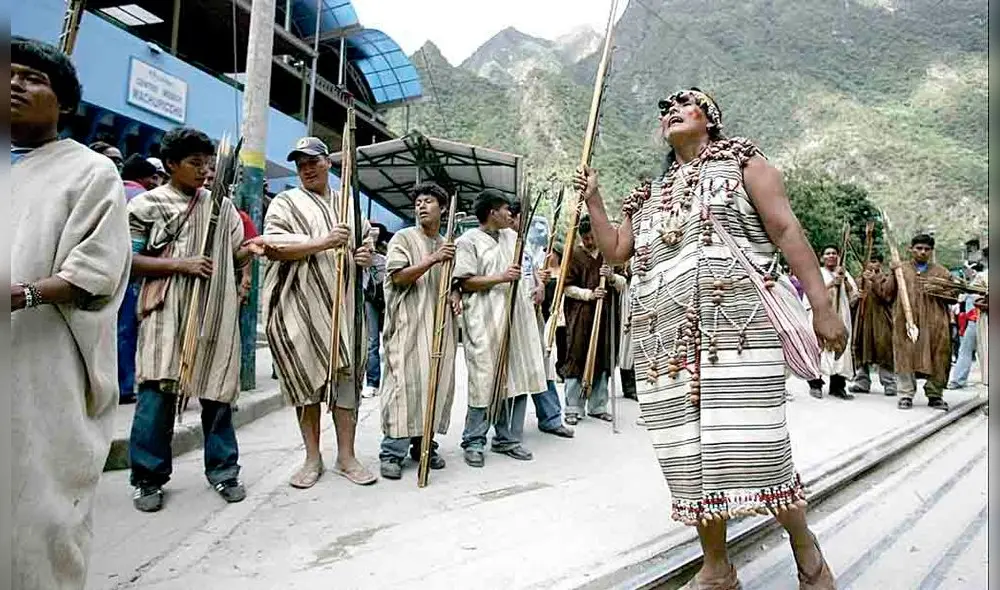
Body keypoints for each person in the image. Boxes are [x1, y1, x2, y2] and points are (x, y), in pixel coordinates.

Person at [574, 88, 844, 588]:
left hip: (738, 333)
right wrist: (594, 198)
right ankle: (717, 566)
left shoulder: (746, 164)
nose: (672, 112)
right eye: (665, 111)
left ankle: (805, 547)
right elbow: (615, 250)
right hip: (665, 346)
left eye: (685, 103)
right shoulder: (648, 195)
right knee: (688, 455)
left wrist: (823, 307)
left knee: (759, 446)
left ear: (710, 119)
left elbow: (787, 231)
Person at [11, 36, 132, 590]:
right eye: (9, 74)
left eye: (33, 79)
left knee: (37, 514)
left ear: (63, 103)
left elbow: (96, 271)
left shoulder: (90, 172)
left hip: (41, 363)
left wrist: (27, 294)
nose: (15, 84)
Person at [127, 127, 250, 512]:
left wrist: (254, 252)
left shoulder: (222, 207)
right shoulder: (146, 205)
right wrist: (181, 264)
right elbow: (128, 262)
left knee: (218, 393)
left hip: (214, 312)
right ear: (170, 164)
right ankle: (147, 478)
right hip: (166, 313)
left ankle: (224, 470)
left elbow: (237, 253)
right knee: (157, 393)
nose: (205, 171)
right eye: (195, 163)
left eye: (208, 164)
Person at [248, 136, 377, 489]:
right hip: (300, 307)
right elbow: (273, 246)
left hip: (344, 308)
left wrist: (364, 255)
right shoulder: (285, 203)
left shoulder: (348, 204)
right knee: (306, 384)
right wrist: (324, 242)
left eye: (313, 162)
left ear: (328, 163)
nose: (306, 169)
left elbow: (365, 244)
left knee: (346, 384)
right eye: (300, 164)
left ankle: (347, 456)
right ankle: (311, 457)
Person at [453, 189, 547, 468]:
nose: (510, 214)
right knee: (483, 381)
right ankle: (473, 441)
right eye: (506, 209)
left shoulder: (512, 237)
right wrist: (501, 277)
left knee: (515, 378)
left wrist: (538, 285)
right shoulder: (467, 241)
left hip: (515, 317)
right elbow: (465, 282)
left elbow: (527, 270)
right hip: (484, 320)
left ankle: (507, 439)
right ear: (492, 212)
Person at [378, 181, 457, 479]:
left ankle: (424, 445)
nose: (421, 206)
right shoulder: (403, 238)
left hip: (440, 327)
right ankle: (392, 452)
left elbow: (454, 281)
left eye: (429, 201)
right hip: (408, 325)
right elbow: (398, 277)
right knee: (404, 386)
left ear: (443, 208)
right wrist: (433, 259)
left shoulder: (448, 243)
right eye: (418, 202)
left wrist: (455, 293)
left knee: (435, 383)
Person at [511, 202, 575, 439]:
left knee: (542, 365)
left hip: (532, 314)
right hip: (511, 317)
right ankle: (506, 431)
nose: (523, 222)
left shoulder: (527, 248)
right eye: (521, 217)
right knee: (516, 372)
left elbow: (534, 275)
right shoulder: (501, 243)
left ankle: (551, 418)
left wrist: (540, 282)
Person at [562, 215, 626, 425]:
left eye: (592, 237)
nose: (589, 242)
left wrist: (611, 277)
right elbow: (566, 287)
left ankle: (598, 406)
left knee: (603, 358)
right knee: (576, 357)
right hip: (580, 316)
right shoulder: (573, 254)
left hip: (605, 315)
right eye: (586, 238)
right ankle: (573, 408)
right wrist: (589, 294)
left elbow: (624, 284)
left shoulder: (610, 254)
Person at [885, 234, 955, 411]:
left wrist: (939, 290)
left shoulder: (942, 272)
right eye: (919, 248)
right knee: (905, 355)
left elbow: (954, 297)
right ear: (911, 249)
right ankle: (906, 394)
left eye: (926, 249)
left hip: (935, 323)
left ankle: (935, 394)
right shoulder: (901, 270)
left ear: (931, 251)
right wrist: (893, 273)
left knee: (938, 356)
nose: (922, 252)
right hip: (906, 322)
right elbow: (887, 293)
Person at [117, 154, 161, 405]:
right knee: (127, 331)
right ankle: (124, 386)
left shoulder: (111, 190)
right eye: (153, 178)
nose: (156, 182)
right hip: (132, 275)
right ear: (144, 178)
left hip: (102, 272)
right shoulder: (144, 199)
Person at [805, 245, 857, 399]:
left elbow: (853, 296)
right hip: (821, 315)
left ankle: (838, 386)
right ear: (822, 258)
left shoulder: (844, 273)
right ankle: (815, 384)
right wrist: (832, 284)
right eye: (828, 253)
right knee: (818, 348)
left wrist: (844, 280)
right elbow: (811, 293)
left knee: (841, 348)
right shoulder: (817, 273)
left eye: (834, 253)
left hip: (841, 315)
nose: (831, 256)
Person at [848, 254, 897, 396]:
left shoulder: (887, 279)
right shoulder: (858, 280)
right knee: (860, 348)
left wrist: (874, 280)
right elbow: (850, 301)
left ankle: (889, 383)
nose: (871, 264)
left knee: (884, 349)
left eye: (875, 261)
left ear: (880, 263)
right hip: (862, 320)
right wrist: (856, 297)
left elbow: (887, 296)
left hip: (881, 320)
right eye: (869, 261)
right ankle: (862, 382)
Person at [947, 262, 984, 389]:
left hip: (978, 320)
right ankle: (958, 380)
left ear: (973, 271)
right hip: (971, 321)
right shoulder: (971, 284)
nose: (966, 272)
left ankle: (958, 380)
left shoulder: (981, 279)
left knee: (966, 351)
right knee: (965, 350)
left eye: (967, 269)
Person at [363, 223, 390, 398]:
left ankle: (391, 380)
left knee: (391, 338)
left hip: (387, 298)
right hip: (369, 299)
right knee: (372, 342)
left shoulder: (387, 255)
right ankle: (372, 382)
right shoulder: (361, 254)